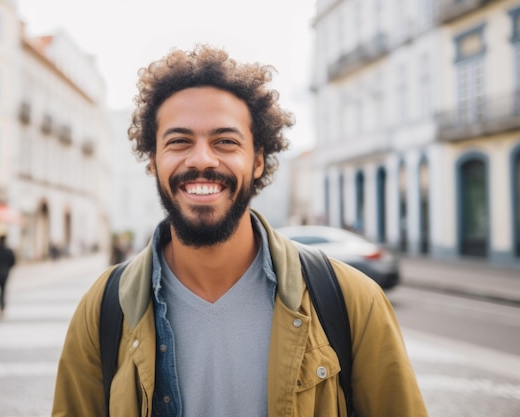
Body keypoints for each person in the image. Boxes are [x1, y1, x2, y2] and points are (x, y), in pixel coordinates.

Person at [52, 45, 428, 417]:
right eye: (179, 141)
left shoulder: (352, 300)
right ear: (153, 161)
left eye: (226, 142)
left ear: (259, 160)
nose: (201, 159)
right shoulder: (103, 308)